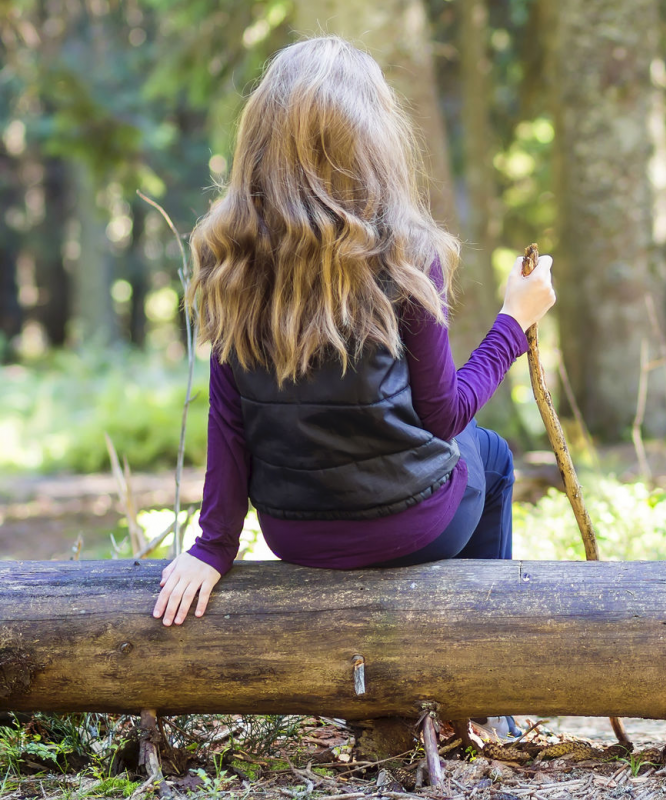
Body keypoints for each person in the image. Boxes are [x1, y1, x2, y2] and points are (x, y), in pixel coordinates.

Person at [152, 36, 555, 628]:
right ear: (372, 141)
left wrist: (214, 545)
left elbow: (229, 418)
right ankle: (485, 687)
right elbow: (445, 415)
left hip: (296, 537)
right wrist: (513, 323)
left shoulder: (230, 253)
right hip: (414, 527)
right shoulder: (407, 252)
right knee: (489, 454)